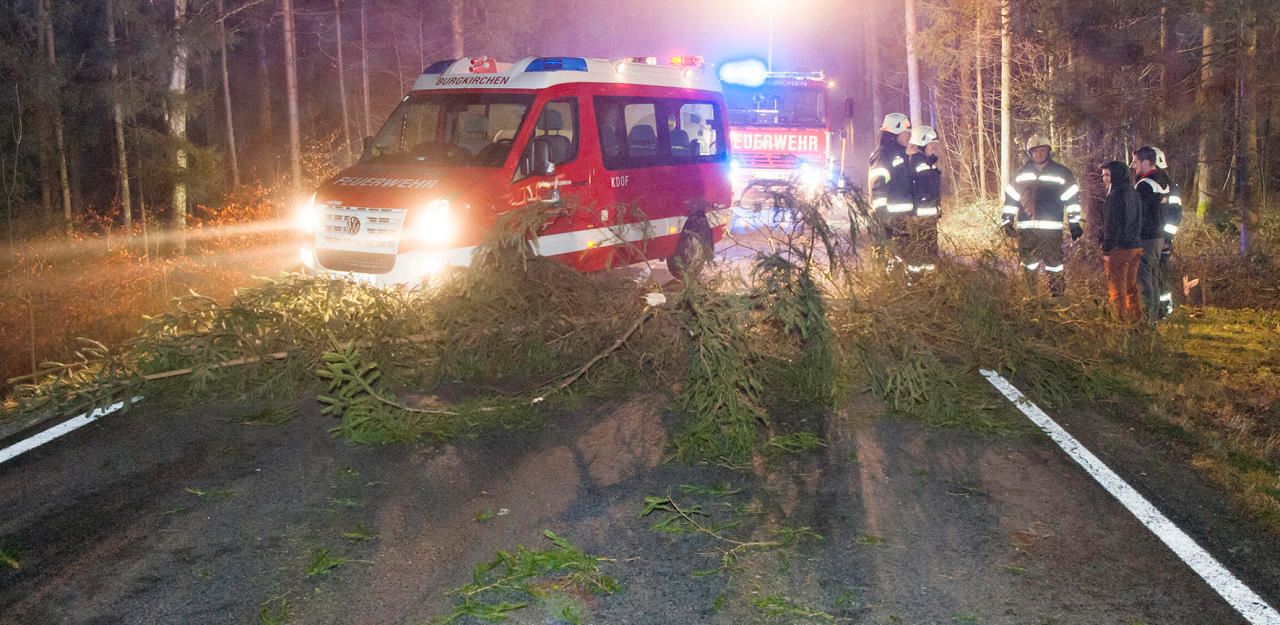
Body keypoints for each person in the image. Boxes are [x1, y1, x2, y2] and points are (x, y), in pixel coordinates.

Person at [1001, 133, 1083, 296]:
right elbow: (1011, 200)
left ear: (1049, 151)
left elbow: (1072, 200)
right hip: (1027, 231)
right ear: (1030, 153)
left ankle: (1057, 297)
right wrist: (1007, 221)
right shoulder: (1020, 175)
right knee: (1028, 264)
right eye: (1036, 151)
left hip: (1051, 232)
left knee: (1054, 265)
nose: (1039, 154)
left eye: (1043, 150)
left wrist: (1074, 223)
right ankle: (1030, 297)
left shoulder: (1062, 173)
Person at [1098, 161, 1144, 322]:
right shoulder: (1133, 192)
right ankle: (1136, 320)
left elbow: (1112, 225)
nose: (1104, 178)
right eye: (1103, 175)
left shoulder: (1114, 196)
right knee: (1131, 287)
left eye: (1107, 175)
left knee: (1117, 288)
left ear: (1116, 176)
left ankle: (1120, 322)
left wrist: (1107, 249)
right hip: (1135, 246)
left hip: (1119, 248)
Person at [868, 113, 915, 262]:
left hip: (903, 218)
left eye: (909, 132)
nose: (909, 136)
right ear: (894, 133)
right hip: (889, 219)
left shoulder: (901, 154)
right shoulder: (883, 153)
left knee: (903, 258)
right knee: (890, 259)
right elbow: (877, 182)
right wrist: (882, 214)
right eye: (905, 132)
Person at [1131, 146, 1170, 323]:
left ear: (1146, 162)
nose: (1133, 166)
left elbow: (1139, 212)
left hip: (1147, 237)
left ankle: (1148, 319)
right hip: (1158, 236)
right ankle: (1153, 317)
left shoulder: (1145, 185)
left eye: (1136, 162)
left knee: (1145, 279)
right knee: (1153, 277)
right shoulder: (1162, 181)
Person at [1152, 147, 1183, 317]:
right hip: (1158, 237)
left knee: (1161, 273)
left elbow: (1175, 216)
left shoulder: (1169, 186)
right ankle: (1161, 307)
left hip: (1162, 238)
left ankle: (1164, 308)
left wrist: (1167, 238)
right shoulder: (1162, 182)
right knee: (1158, 273)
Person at [907, 125, 941, 273]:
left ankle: (928, 278)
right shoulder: (919, 164)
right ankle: (918, 279)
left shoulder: (926, 164)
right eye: (931, 145)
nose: (933, 149)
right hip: (921, 219)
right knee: (920, 252)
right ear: (921, 145)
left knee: (928, 253)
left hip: (928, 217)